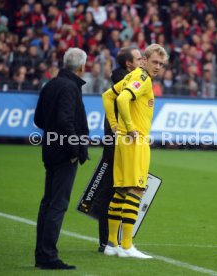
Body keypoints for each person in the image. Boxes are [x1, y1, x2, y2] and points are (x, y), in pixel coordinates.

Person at [102, 44, 169, 259]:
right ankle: (127, 245)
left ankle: (111, 244)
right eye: (155, 62)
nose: (158, 67)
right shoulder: (143, 78)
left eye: (161, 63)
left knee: (121, 190)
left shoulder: (132, 76)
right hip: (135, 141)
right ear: (144, 60)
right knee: (137, 190)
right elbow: (121, 99)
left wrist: (115, 126)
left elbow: (107, 96)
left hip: (122, 140)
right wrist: (130, 129)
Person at [34, 47, 89, 270]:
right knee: (58, 204)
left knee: (48, 203)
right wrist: (75, 151)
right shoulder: (70, 88)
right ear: (82, 67)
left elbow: (39, 119)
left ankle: (42, 254)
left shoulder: (51, 85)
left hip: (49, 149)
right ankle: (48, 256)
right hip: (65, 153)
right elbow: (66, 121)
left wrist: (53, 134)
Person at [97, 46, 142, 253]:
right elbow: (118, 100)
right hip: (120, 140)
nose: (142, 61)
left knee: (116, 188)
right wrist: (120, 127)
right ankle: (110, 241)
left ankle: (110, 241)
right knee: (116, 188)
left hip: (117, 138)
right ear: (129, 64)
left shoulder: (126, 77)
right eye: (139, 58)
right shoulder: (127, 80)